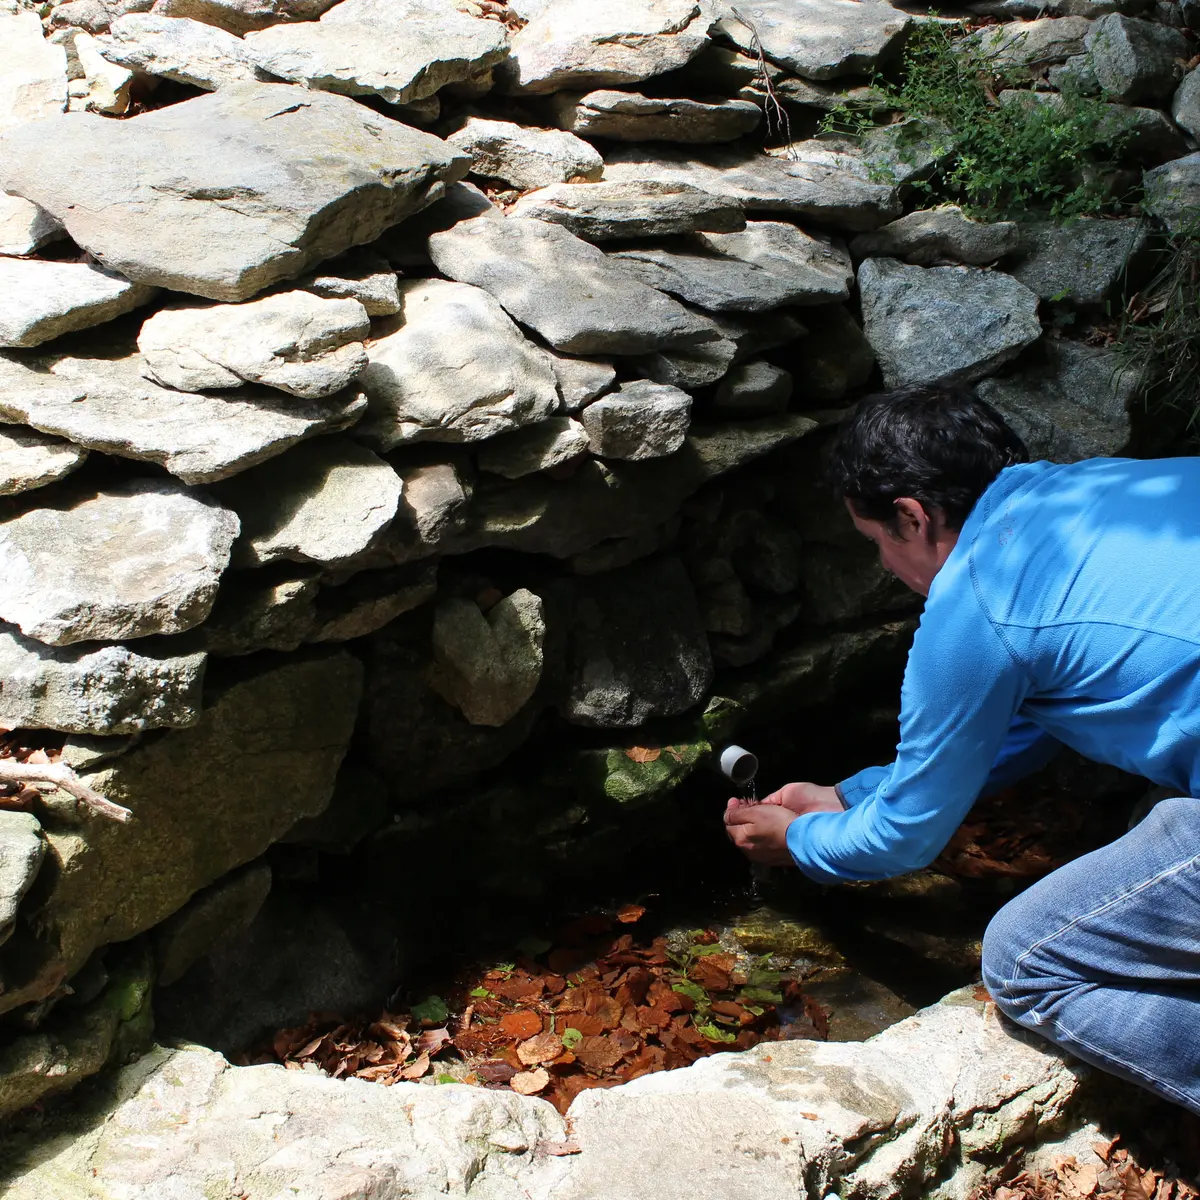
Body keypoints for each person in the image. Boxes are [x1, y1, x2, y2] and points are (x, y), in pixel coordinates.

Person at [724, 383, 1200, 1115]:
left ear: (913, 517)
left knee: (1026, 961)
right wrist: (850, 795)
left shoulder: (975, 606)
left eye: (876, 540)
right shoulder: (1103, 486)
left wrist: (803, 839)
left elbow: (907, 839)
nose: (884, 563)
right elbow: (1022, 730)